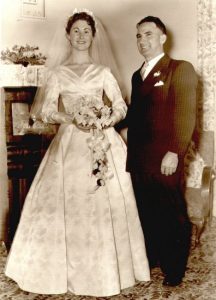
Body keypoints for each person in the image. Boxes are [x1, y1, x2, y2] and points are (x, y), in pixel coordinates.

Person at [4, 9, 150, 297]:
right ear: (68, 36)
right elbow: (46, 111)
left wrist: (105, 119)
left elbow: (121, 106)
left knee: (107, 199)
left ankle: (108, 270)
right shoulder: (58, 73)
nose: (81, 36)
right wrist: (72, 118)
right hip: (70, 141)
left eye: (86, 31)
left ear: (93, 36)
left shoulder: (103, 72)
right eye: (76, 31)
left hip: (102, 139)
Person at [126, 16, 198, 287]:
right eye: (138, 36)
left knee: (172, 212)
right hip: (139, 157)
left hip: (165, 156)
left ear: (162, 37)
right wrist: (104, 120)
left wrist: (175, 151)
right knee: (146, 209)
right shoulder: (137, 75)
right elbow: (135, 115)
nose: (142, 41)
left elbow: (185, 114)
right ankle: (154, 256)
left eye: (148, 34)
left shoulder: (180, 69)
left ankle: (175, 267)